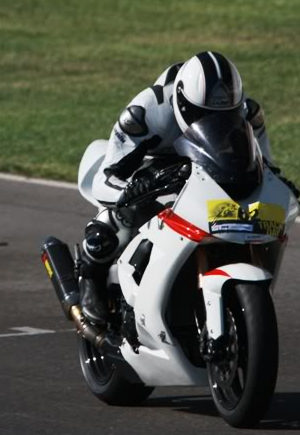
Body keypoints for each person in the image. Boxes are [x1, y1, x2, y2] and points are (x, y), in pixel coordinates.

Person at [78, 51, 279, 325]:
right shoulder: (145, 112)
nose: (214, 121)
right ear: (182, 102)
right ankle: (91, 278)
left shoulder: (248, 114)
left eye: (224, 116)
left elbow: (267, 165)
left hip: (206, 164)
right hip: (149, 166)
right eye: (202, 114)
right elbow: (106, 176)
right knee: (118, 223)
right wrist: (129, 191)